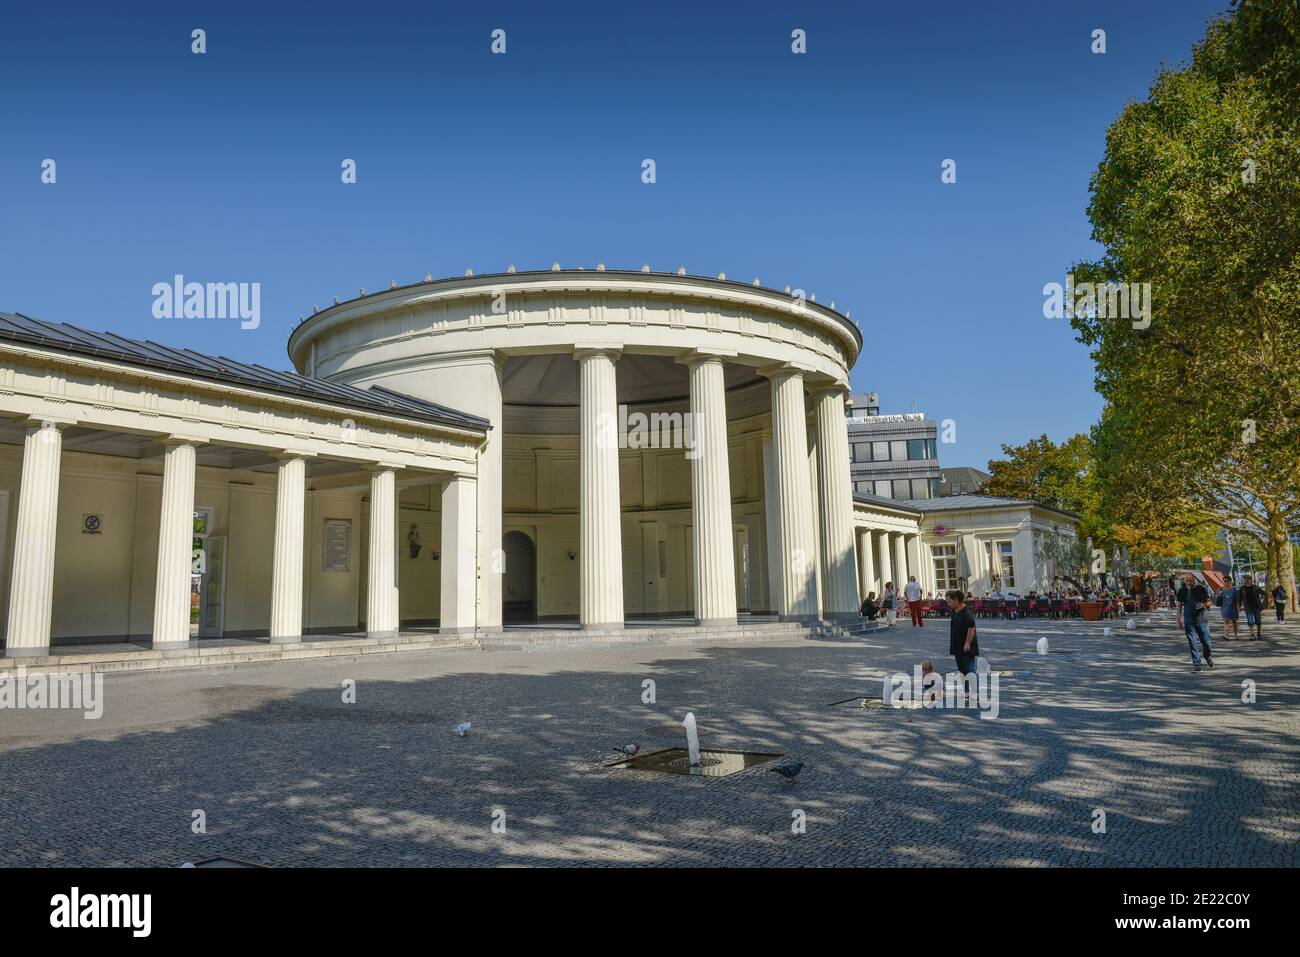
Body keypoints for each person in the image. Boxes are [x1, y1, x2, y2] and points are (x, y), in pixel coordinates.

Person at [1176, 572, 1214, 671]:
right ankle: (1197, 663)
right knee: (1192, 643)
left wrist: (1204, 605)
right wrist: (1178, 619)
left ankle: (1207, 656)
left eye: (1191, 581)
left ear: (1194, 580)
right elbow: (1179, 605)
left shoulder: (1201, 589)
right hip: (1189, 620)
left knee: (1206, 642)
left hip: (1201, 620)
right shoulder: (1181, 591)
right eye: (1186, 581)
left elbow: (1209, 601)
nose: (1189, 583)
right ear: (1184, 581)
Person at [946, 589, 979, 676]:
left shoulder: (966, 612)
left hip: (966, 647)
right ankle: (967, 689)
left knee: (970, 670)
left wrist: (967, 643)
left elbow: (971, 628)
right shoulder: (954, 611)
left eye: (950, 602)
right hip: (957, 646)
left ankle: (974, 689)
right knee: (962, 670)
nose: (948, 604)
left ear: (956, 600)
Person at [1240, 575, 1266, 640]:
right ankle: (1252, 635)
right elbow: (1239, 598)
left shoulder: (1256, 587)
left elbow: (1265, 594)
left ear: (1251, 580)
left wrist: (1263, 604)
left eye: (1248, 579)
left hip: (1256, 606)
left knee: (1258, 621)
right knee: (1250, 621)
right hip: (1248, 607)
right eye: (1245, 579)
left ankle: (1259, 633)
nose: (1246, 580)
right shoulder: (1242, 588)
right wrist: (1239, 606)